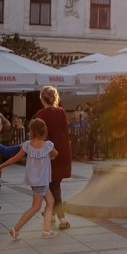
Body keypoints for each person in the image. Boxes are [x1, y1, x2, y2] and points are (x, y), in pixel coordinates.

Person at [0, 118, 59, 239]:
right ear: (44, 130)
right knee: (36, 207)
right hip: (42, 181)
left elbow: (14, 158)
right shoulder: (48, 146)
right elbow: (56, 154)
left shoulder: (27, 145)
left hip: (35, 180)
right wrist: (50, 157)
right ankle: (16, 229)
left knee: (50, 201)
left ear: (32, 131)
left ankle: (46, 230)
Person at [35, 86, 73, 229]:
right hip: (64, 151)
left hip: (51, 152)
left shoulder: (40, 114)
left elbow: (41, 136)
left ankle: (62, 219)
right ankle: (50, 213)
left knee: (54, 185)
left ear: (41, 98)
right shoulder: (62, 112)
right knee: (54, 184)